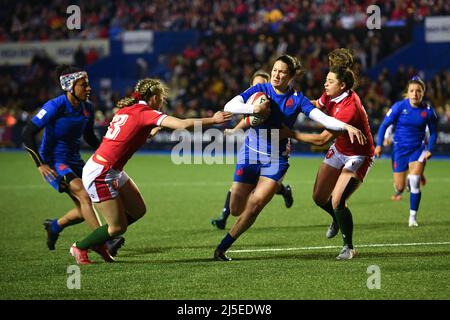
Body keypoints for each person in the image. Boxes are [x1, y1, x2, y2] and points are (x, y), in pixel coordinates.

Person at [213, 54, 366, 261]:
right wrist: (254, 108)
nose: (276, 74)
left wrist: (345, 125)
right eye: (275, 70)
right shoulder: (261, 89)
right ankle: (281, 190)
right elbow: (230, 106)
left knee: (256, 204)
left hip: (276, 159)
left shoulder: (298, 99)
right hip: (250, 152)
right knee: (235, 208)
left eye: (282, 71)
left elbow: (321, 117)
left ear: (291, 76)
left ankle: (222, 249)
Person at [69, 78, 232, 264]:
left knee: (138, 210)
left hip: (109, 168)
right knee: (117, 228)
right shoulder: (145, 112)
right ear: (154, 98)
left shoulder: (128, 109)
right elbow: (183, 125)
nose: (162, 103)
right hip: (101, 173)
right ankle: (81, 247)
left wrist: (152, 129)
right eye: (161, 99)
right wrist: (214, 119)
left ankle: (99, 240)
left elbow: (128, 134)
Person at [22, 65, 124, 259]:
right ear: (69, 86)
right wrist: (40, 164)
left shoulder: (88, 108)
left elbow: (89, 136)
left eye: (88, 84)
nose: (89, 88)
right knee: (84, 196)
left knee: (84, 206)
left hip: (76, 161)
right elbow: (27, 134)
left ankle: (54, 226)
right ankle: (104, 242)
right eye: (83, 85)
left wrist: (110, 152)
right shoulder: (54, 106)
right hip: (54, 163)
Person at [284, 48, 374, 260]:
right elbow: (318, 104)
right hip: (341, 148)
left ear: (342, 85)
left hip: (358, 156)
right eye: (326, 80)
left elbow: (322, 139)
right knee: (318, 197)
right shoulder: (332, 94)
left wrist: (290, 133)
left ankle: (348, 247)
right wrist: (296, 104)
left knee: (337, 199)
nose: (325, 84)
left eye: (330, 81)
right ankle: (337, 217)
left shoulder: (349, 108)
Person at [210, 70, 293, 230]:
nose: (258, 88)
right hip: (254, 146)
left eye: (261, 84)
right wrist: (235, 130)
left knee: (268, 185)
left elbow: (251, 120)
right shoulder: (252, 101)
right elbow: (249, 119)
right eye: (255, 85)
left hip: (276, 147)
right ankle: (224, 216)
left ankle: (283, 190)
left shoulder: (274, 101)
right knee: (241, 182)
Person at [375, 76, 438, 227]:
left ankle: (412, 218)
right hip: (399, 151)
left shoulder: (428, 111)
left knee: (415, 181)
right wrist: (378, 145)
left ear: (423, 93)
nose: (415, 94)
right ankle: (406, 181)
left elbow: (434, 132)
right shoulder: (398, 107)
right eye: (412, 91)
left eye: (418, 91)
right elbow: (384, 125)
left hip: (418, 149)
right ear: (407, 92)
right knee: (399, 187)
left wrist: (430, 149)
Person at [383, 124, 428, 201]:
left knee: (417, 162)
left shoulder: (424, 113)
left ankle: (413, 176)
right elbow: (388, 123)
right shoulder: (399, 112)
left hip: (416, 146)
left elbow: (427, 127)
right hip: (399, 147)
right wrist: (386, 137)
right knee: (399, 186)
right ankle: (400, 188)